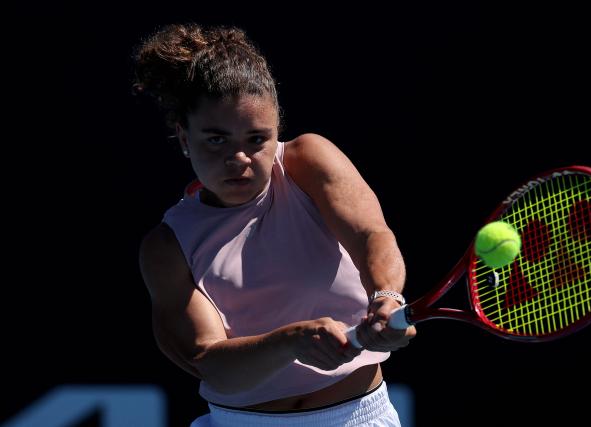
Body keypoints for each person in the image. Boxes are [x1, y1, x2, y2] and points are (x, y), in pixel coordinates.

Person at [134, 23, 416, 427]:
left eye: (256, 139)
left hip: (359, 416)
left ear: (277, 132)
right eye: (217, 140)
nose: (240, 159)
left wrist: (386, 297)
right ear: (183, 137)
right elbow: (209, 363)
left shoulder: (309, 162)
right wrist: (291, 342)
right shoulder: (167, 246)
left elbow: (371, 234)